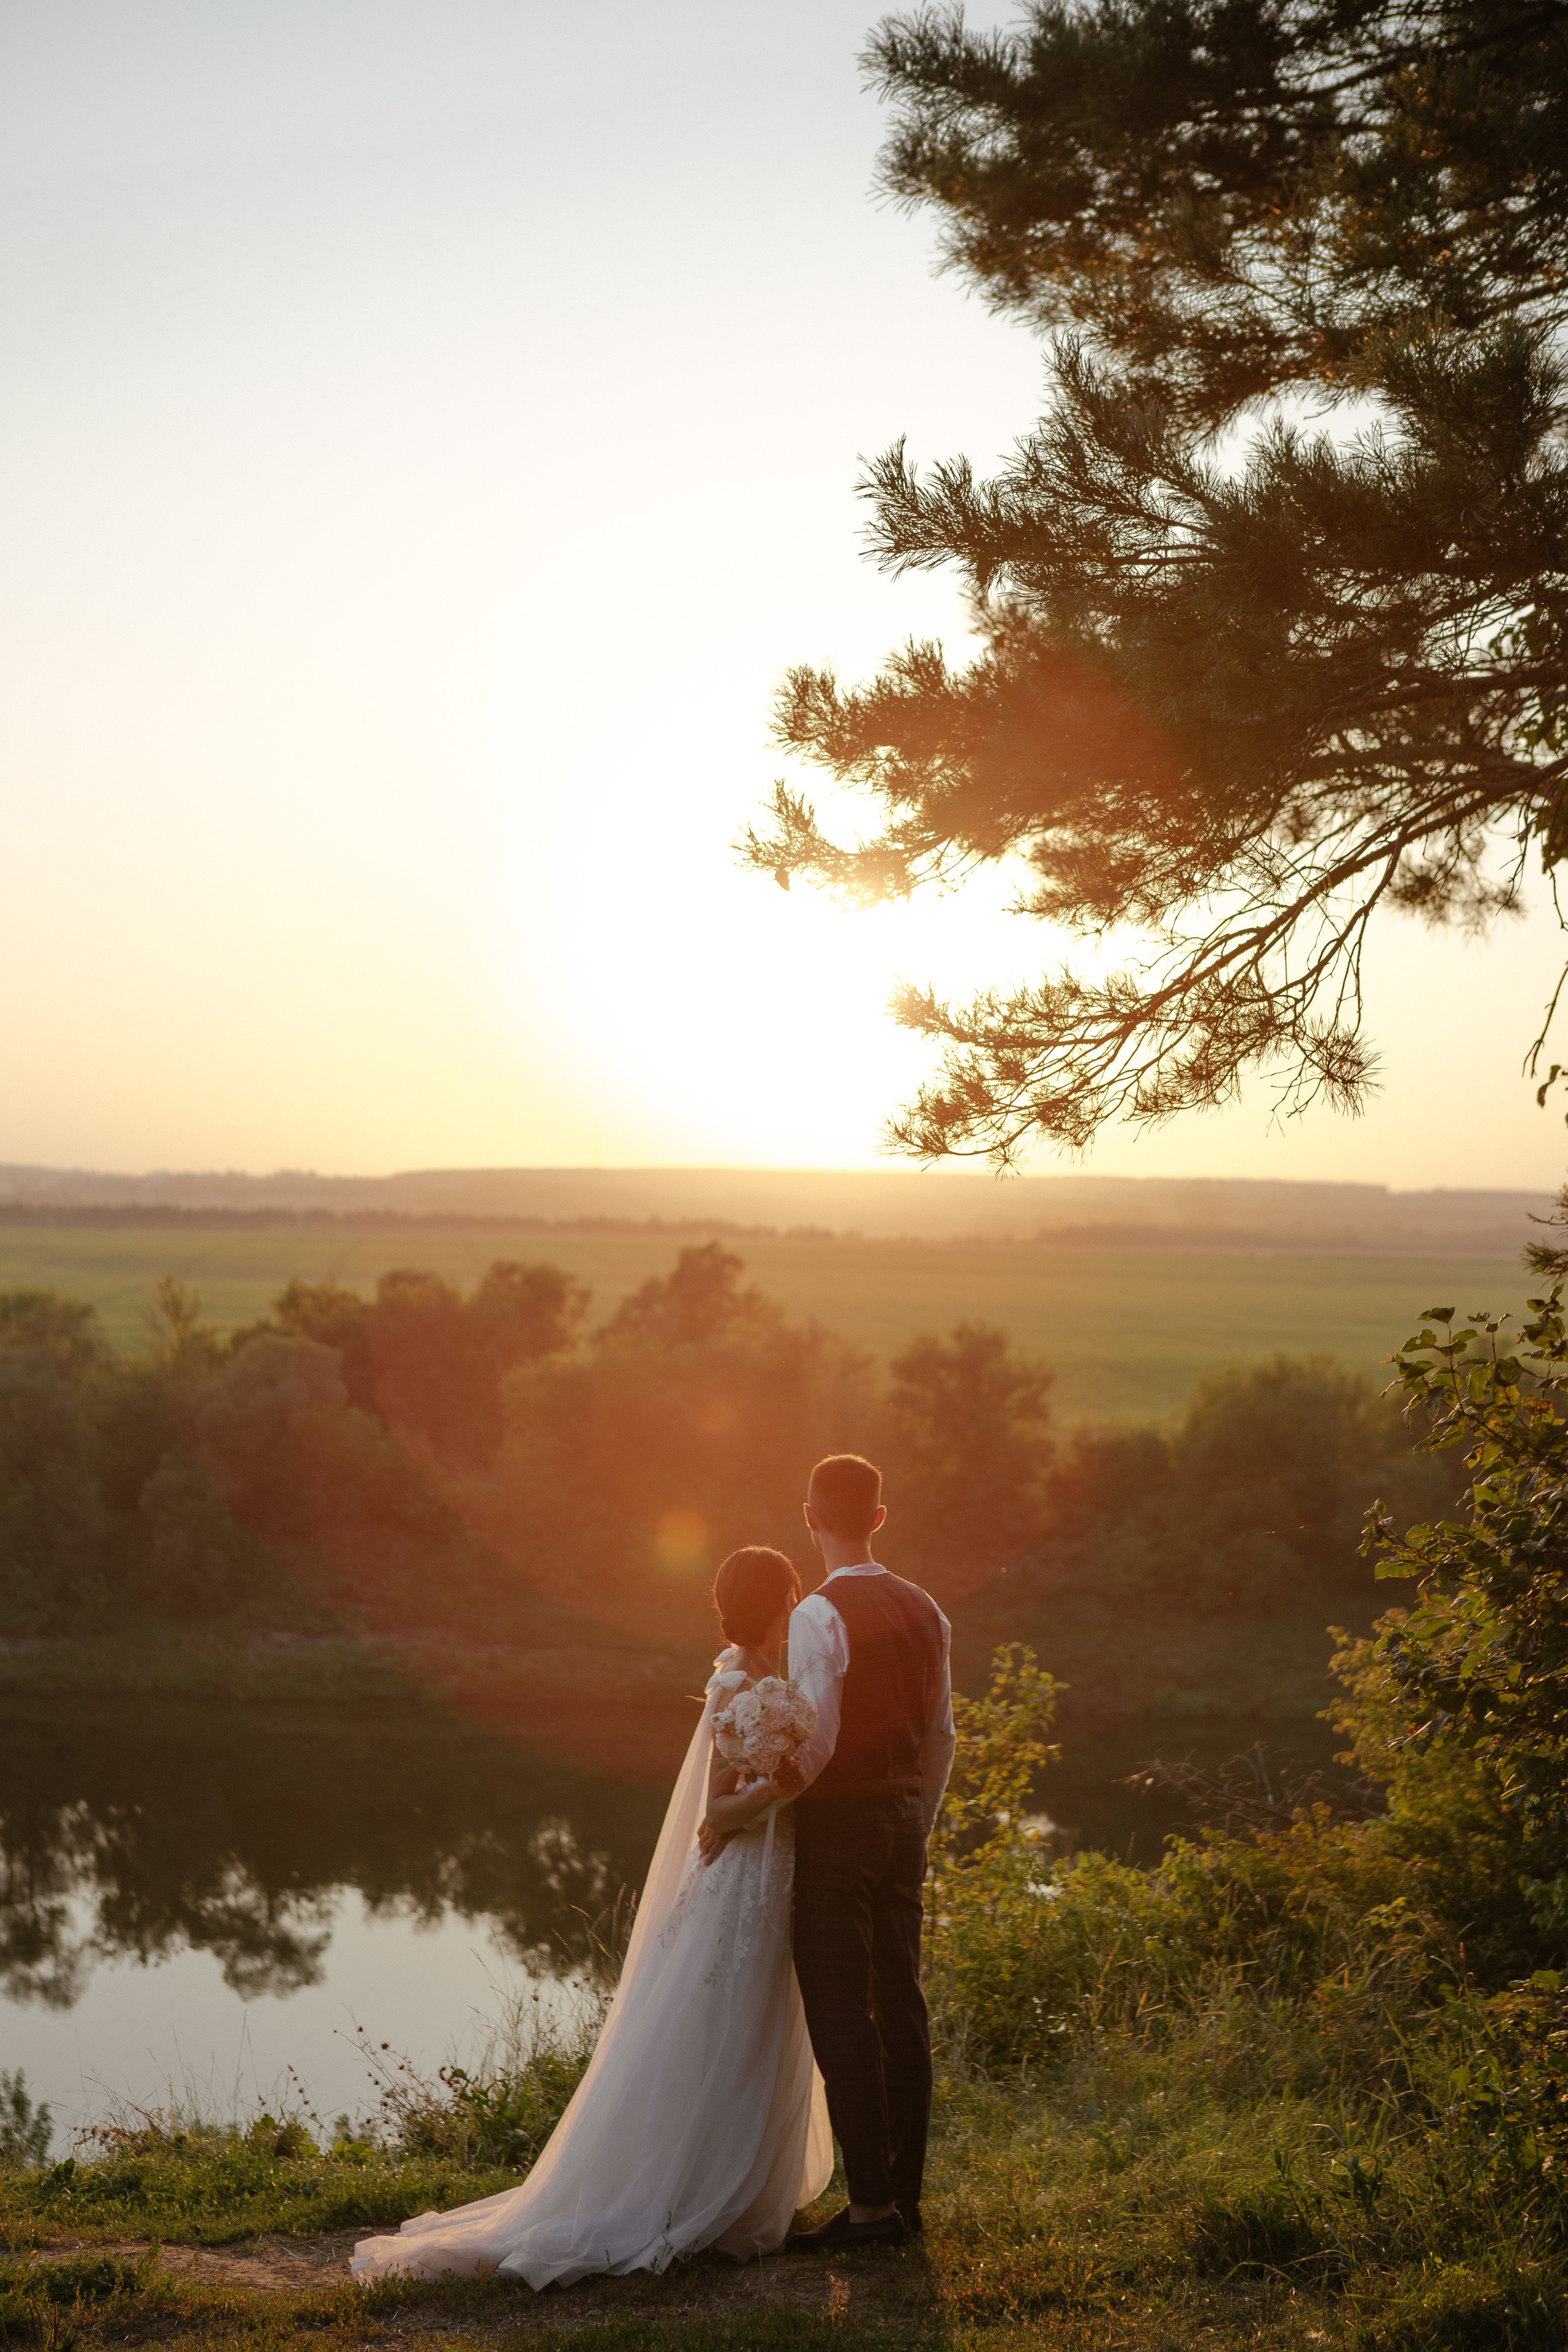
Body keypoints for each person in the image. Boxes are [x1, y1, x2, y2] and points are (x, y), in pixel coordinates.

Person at [350, 1545, 831, 2290]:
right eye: (793, 1592)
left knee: (762, 2021)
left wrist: (784, 1784)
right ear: (783, 1599)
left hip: (774, 1873)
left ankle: (737, 2193)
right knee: (718, 2021)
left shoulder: (775, 1683)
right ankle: (683, 2192)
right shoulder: (738, 1683)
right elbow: (718, 1809)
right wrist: (779, 1789)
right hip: (742, 1878)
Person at [702, 1452, 954, 2250]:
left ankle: (872, 2210)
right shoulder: (928, 1611)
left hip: (841, 1826)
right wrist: (919, 1818)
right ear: (879, 1517)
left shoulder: (816, 1614)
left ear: (811, 1517)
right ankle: (904, 2199)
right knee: (902, 1999)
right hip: (906, 1818)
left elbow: (818, 1742)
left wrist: (760, 1798)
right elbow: (944, 1735)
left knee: (844, 2006)